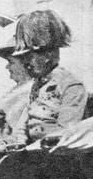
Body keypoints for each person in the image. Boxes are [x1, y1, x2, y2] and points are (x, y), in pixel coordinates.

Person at [10, 9, 88, 146]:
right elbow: (24, 123)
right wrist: (17, 140)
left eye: (29, 57)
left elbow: (65, 133)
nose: (25, 63)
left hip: (53, 158)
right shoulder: (38, 85)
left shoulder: (70, 86)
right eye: (22, 58)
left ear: (47, 55)